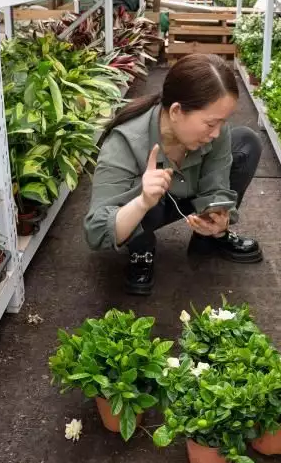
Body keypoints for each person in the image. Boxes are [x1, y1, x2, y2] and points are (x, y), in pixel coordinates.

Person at [84, 54, 263, 295]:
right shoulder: (125, 142)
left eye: (222, 122)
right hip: (150, 206)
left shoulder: (215, 132)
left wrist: (219, 219)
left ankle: (208, 239)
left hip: (187, 191)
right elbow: (96, 232)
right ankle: (141, 248)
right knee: (148, 189)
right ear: (177, 111)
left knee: (247, 143)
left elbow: (217, 184)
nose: (217, 132)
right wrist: (141, 202)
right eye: (211, 124)